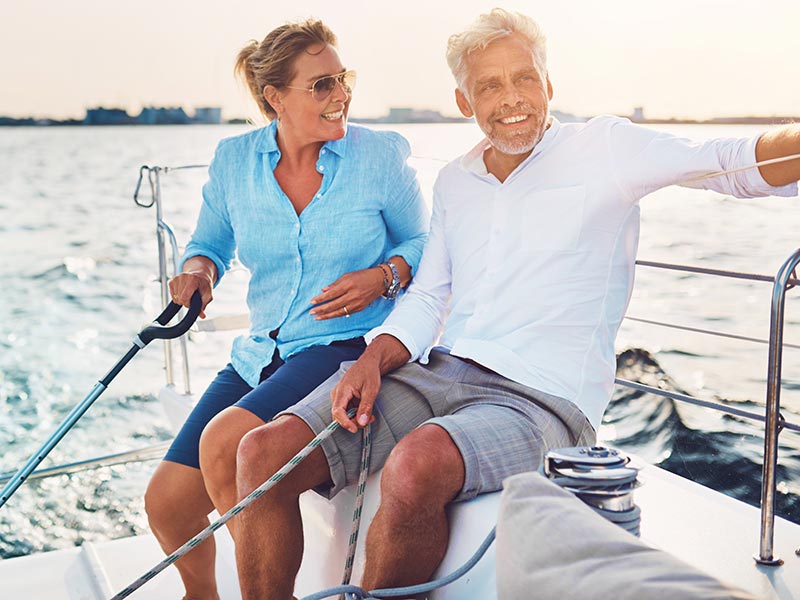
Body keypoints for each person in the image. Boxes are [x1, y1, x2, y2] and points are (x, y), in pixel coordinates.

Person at [231, 8, 800, 599]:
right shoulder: (455, 180)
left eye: (524, 78)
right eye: (489, 85)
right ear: (463, 100)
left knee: (417, 461)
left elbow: (731, 163)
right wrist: (372, 362)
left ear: (548, 83)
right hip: (439, 373)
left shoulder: (605, 148)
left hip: (544, 398)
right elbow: (429, 295)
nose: (512, 98)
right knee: (261, 453)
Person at [142, 18, 428, 600]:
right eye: (321, 85)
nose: (341, 94)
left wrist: (383, 276)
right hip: (262, 349)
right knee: (167, 504)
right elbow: (210, 244)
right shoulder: (232, 161)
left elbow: (425, 246)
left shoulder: (379, 155)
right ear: (275, 97)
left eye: (342, 79)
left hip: (346, 342)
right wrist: (197, 272)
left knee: (226, 441)